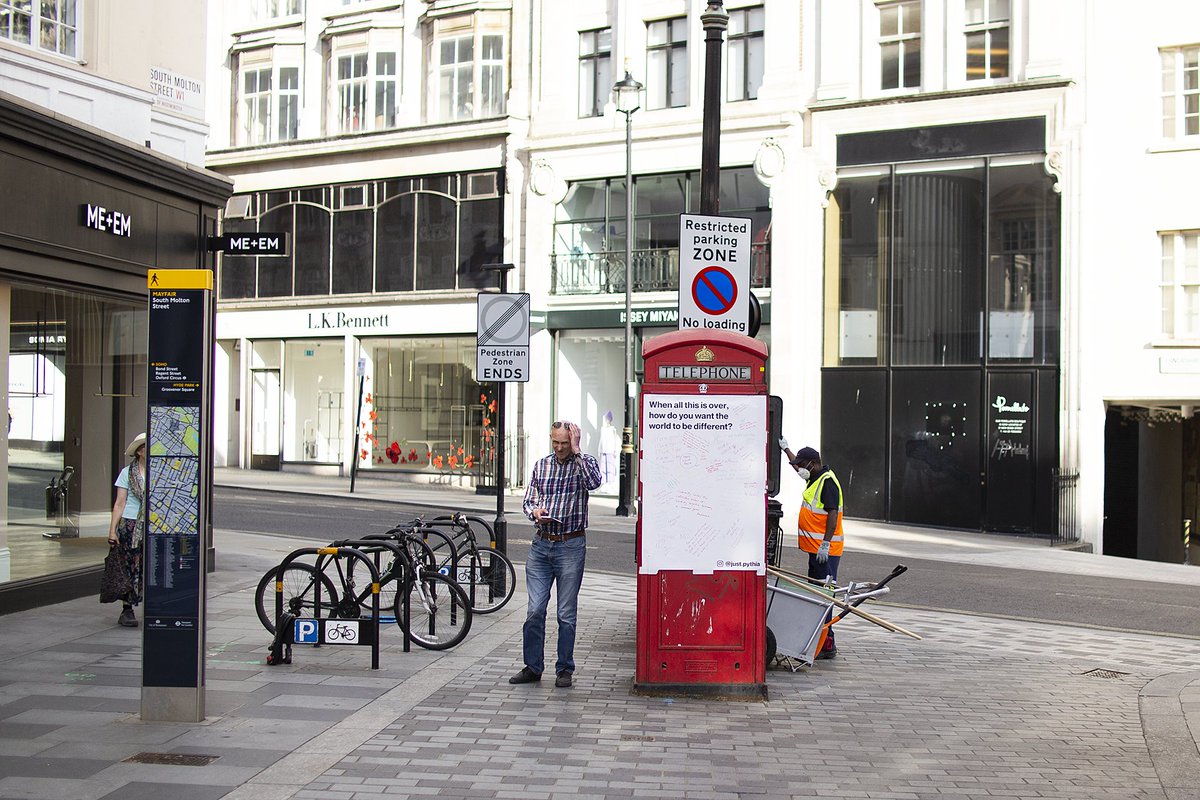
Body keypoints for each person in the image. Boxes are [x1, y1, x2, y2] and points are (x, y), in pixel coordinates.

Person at [510, 420, 602, 688]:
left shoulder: (583, 464)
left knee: (565, 612)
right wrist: (534, 512)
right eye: (556, 442)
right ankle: (532, 667)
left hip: (571, 546)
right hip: (541, 544)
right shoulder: (542, 465)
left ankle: (564, 669)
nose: (560, 448)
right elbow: (529, 500)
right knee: (534, 610)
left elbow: (594, 482)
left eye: (564, 443)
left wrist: (577, 450)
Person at [779, 437, 844, 660]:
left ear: (814, 463)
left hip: (826, 552)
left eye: (803, 464)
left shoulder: (827, 482)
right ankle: (818, 641)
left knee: (823, 597)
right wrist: (785, 449)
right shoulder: (814, 477)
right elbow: (797, 468)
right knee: (815, 596)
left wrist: (825, 544)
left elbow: (833, 515)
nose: (800, 469)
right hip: (815, 551)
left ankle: (827, 644)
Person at [107, 433, 146, 628]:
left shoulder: (161, 473)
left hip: (152, 525)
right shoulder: (127, 473)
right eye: (148, 447)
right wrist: (112, 530)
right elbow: (119, 504)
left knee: (150, 566)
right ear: (140, 451)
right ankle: (127, 608)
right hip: (130, 526)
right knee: (129, 566)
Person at [598, 410, 620, 492]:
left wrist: (615, 450)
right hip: (603, 450)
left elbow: (614, 440)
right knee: (603, 467)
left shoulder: (612, 429)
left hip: (610, 450)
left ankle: (610, 484)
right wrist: (599, 449)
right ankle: (604, 483)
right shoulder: (602, 429)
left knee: (610, 466)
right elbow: (601, 440)